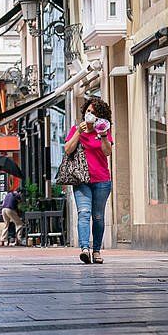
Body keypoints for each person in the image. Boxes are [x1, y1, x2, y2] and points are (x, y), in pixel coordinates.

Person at [67, 97, 114, 264]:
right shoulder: (76, 129)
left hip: (101, 180)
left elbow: (107, 152)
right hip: (81, 179)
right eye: (88, 111)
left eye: (93, 113)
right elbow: (67, 150)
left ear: (99, 116)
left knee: (99, 217)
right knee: (84, 213)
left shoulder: (104, 130)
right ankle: (85, 249)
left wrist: (102, 136)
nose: (89, 115)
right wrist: (79, 133)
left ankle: (96, 251)